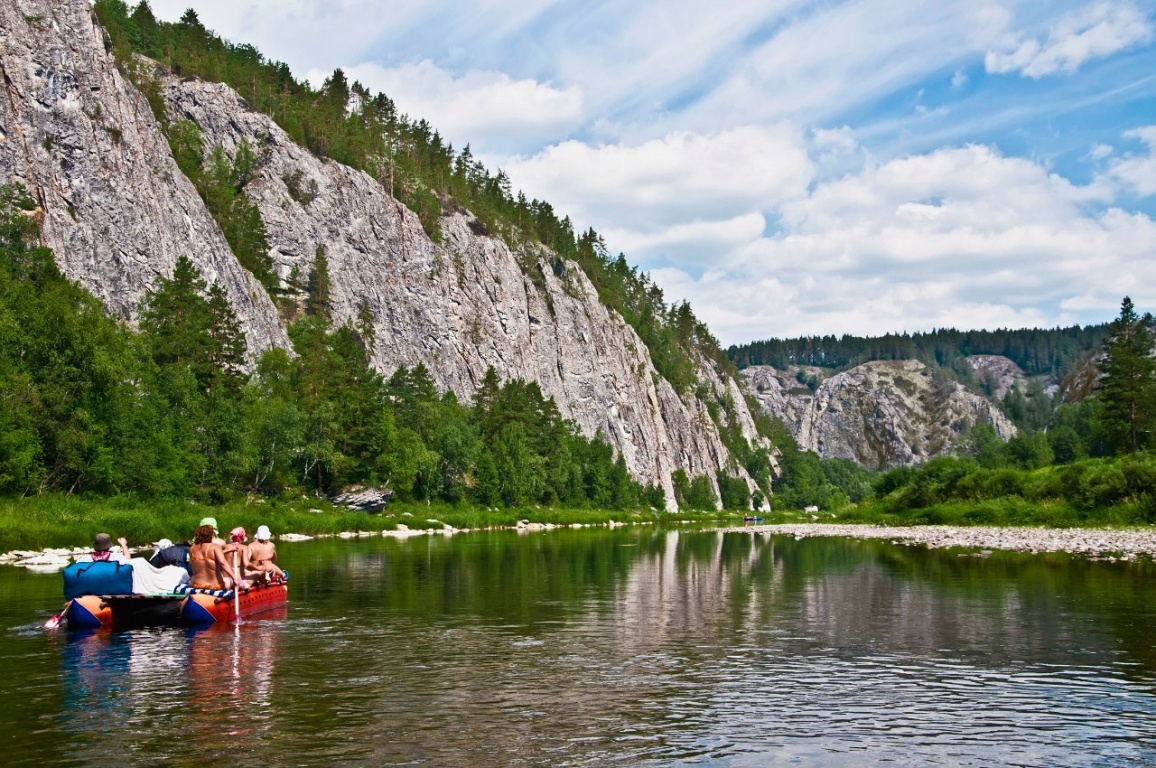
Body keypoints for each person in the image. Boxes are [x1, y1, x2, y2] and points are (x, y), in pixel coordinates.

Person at [187, 524, 247, 591]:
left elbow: (207, 558)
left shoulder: (191, 549)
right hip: (214, 585)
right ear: (211, 536)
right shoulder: (215, 547)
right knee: (229, 580)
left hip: (196, 584)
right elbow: (223, 562)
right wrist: (234, 579)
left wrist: (229, 550)